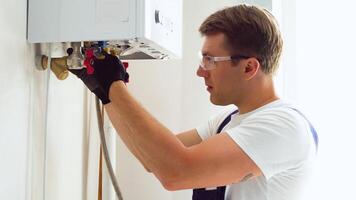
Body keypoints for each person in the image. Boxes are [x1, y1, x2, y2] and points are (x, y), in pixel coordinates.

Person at [71, 4, 318, 200]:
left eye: (210, 60)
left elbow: (176, 171)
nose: (200, 72)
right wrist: (107, 93)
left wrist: (115, 87)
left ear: (249, 67)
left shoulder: (284, 126)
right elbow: (154, 160)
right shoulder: (228, 121)